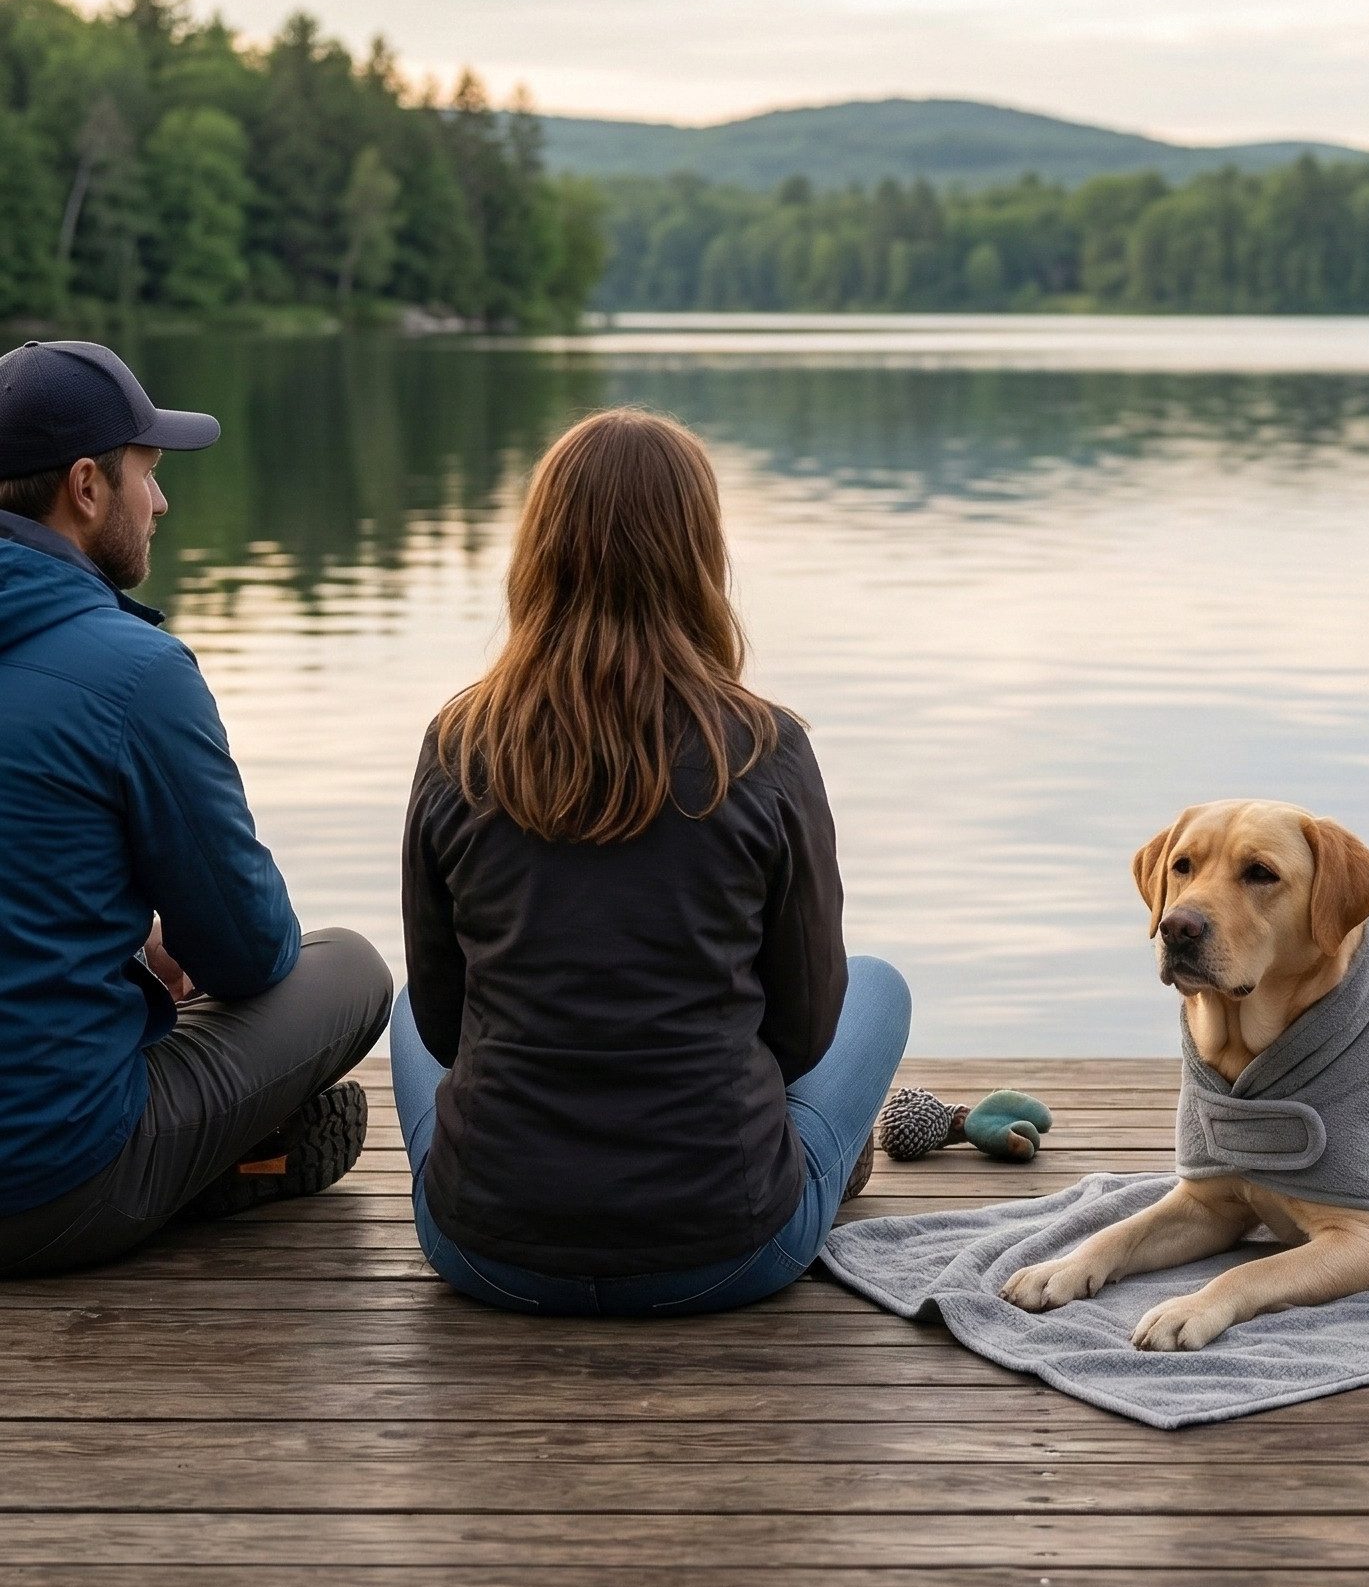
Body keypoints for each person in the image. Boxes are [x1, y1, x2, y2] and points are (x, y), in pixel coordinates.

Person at [394, 407, 910, 1314]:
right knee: (878, 986)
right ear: (699, 557)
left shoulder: (460, 743)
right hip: (728, 1249)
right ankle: (816, 1162)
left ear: (538, 553)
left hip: (484, 1252)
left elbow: (442, 1023)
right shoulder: (765, 748)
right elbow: (802, 1032)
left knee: (399, 1004)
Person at [0, 340, 392, 1278]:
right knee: (352, 969)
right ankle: (224, 1159)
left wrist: (122, 955)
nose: (162, 503)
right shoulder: (132, 673)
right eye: (151, 474)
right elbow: (249, 956)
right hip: (47, 1190)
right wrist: (171, 946)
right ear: (87, 486)